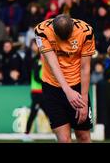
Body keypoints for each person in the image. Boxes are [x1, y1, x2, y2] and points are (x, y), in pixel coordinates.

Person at [34, 14, 95, 143]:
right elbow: (53, 63)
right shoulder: (41, 31)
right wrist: (67, 91)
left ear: (72, 28)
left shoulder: (86, 32)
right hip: (52, 87)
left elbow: (85, 67)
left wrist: (83, 100)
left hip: (78, 86)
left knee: (83, 136)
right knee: (64, 139)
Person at [24, 40, 44, 140]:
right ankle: (26, 134)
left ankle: (59, 134)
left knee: (51, 113)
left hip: (44, 92)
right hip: (37, 93)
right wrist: (46, 83)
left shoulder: (45, 64)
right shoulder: (36, 63)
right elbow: (36, 77)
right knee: (33, 113)